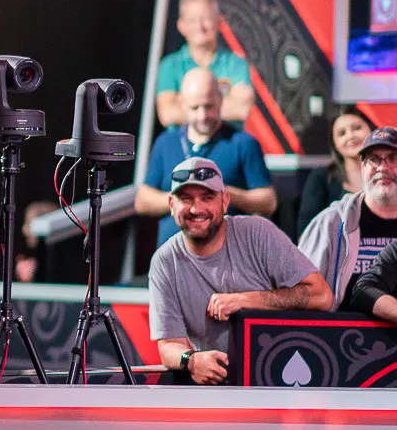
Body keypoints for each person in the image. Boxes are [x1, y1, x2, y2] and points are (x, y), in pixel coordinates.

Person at [149, 158, 331, 385]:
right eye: (186, 199)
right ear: (171, 204)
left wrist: (244, 300)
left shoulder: (258, 233)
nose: (196, 209)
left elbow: (321, 296)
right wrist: (191, 360)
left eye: (207, 198)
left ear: (225, 201)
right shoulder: (164, 261)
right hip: (220, 385)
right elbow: (168, 346)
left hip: (282, 378)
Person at [135, 67, 275, 247]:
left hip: (226, 254)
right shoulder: (166, 142)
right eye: (195, 108)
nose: (202, 115)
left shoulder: (242, 142)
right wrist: (181, 196)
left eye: (208, 106)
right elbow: (142, 201)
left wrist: (224, 194)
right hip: (173, 255)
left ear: (220, 100)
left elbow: (268, 200)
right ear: (182, 104)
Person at [302, 126, 397, 310]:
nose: (382, 167)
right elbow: (301, 292)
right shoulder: (330, 223)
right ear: (362, 168)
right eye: (373, 159)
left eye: (393, 158)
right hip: (342, 327)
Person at [155, 0, 254, 127]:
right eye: (192, 20)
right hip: (182, 140)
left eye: (206, 18)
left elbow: (241, 109)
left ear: (219, 21)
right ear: (181, 26)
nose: (200, 27)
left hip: (227, 139)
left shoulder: (236, 64)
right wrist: (221, 103)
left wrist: (186, 104)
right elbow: (168, 114)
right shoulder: (169, 65)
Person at [296, 106, 377, 235]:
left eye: (357, 128)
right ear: (334, 144)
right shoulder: (321, 178)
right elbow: (307, 232)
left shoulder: (390, 173)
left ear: (372, 131)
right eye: (342, 133)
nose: (351, 136)